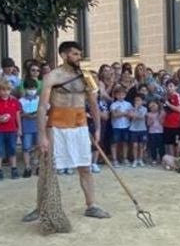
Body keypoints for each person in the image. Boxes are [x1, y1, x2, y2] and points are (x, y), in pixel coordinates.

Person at [31, 42, 109, 221]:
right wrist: (42, 135)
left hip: (80, 126)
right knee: (48, 169)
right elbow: (42, 107)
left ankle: (91, 205)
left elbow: (94, 105)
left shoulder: (86, 76)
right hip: (57, 127)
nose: (78, 57)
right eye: (74, 54)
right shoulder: (52, 76)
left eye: (79, 54)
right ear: (64, 55)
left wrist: (97, 129)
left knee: (85, 168)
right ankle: (40, 207)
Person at [0, 80, 21, 180]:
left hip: (12, 129)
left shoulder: (15, 102)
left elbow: (17, 116)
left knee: (12, 149)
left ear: (10, 90)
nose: (5, 92)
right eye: (2, 90)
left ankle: (14, 169)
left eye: (7, 90)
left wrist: (19, 128)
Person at [19, 79, 40, 177]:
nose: (32, 90)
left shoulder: (39, 99)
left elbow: (45, 110)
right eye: (29, 88)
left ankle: (36, 165)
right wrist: (25, 115)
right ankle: (27, 167)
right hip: (26, 126)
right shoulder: (21, 101)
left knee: (38, 146)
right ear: (25, 89)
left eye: (34, 88)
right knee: (26, 147)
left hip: (38, 126)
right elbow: (18, 114)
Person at [108, 85, 133, 166]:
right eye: (118, 94)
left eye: (122, 94)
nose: (120, 96)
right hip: (116, 127)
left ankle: (125, 158)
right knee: (114, 143)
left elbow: (130, 114)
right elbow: (114, 115)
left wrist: (120, 113)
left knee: (125, 143)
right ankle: (114, 159)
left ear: (125, 95)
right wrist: (124, 113)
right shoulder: (113, 104)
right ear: (115, 95)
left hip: (126, 125)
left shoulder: (128, 104)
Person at [161, 77, 180, 158]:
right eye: (168, 86)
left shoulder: (177, 96)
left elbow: (179, 109)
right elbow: (164, 110)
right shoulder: (165, 97)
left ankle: (177, 159)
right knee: (169, 143)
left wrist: (168, 104)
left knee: (176, 143)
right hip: (167, 124)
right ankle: (172, 159)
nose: (169, 88)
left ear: (176, 87)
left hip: (176, 124)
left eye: (171, 86)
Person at [128, 93, 148, 168]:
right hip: (133, 129)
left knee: (141, 145)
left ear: (142, 101)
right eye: (135, 100)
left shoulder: (145, 109)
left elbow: (142, 117)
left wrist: (134, 114)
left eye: (139, 100)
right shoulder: (131, 108)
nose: (137, 102)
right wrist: (135, 110)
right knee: (135, 145)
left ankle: (140, 159)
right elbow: (131, 117)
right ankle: (135, 160)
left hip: (142, 129)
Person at [146, 98, 164, 166]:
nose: (153, 107)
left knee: (161, 146)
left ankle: (162, 158)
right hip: (152, 132)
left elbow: (162, 122)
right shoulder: (149, 114)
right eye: (151, 106)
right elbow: (148, 124)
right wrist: (150, 119)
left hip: (160, 131)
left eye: (154, 105)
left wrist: (159, 116)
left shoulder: (162, 112)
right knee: (153, 146)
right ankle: (154, 159)